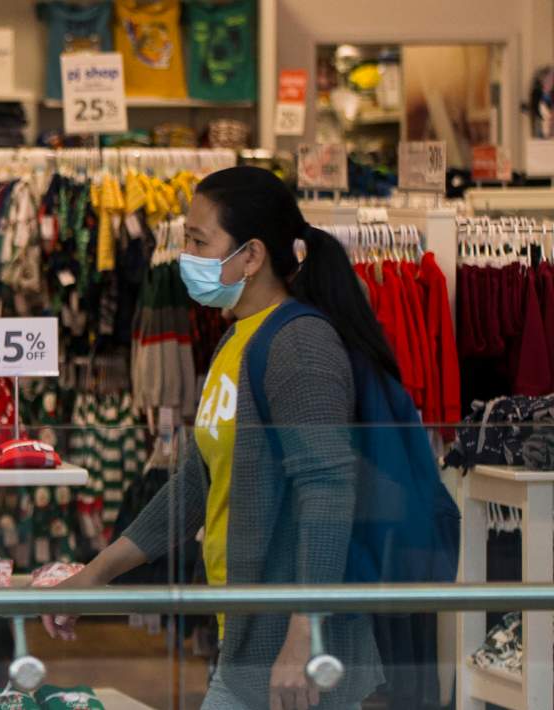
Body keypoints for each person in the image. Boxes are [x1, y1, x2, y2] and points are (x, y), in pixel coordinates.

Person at [44, 166, 392, 710]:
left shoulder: (300, 345)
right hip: (248, 638)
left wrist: (304, 639)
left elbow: (328, 492)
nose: (185, 253)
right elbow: (196, 485)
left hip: (301, 657)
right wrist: (94, 576)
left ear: (251, 257)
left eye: (198, 240)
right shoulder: (236, 339)